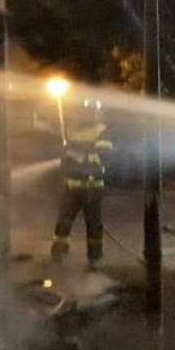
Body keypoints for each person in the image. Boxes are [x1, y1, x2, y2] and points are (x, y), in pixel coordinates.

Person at [51, 99, 113, 268]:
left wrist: (78, 153)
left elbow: (104, 155)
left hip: (92, 187)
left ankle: (95, 258)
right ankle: (59, 253)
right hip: (71, 186)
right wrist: (66, 152)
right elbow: (63, 156)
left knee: (93, 225)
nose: (85, 114)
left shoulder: (102, 131)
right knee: (63, 222)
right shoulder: (70, 130)